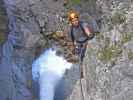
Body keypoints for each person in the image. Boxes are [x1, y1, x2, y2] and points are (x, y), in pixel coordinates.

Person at [67, 9, 95, 78]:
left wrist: (89, 34)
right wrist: (73, 47)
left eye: (76, 20)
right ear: (71, 22)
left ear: (78, 20)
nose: (75, 22)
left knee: (82, 55)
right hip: (78, 44)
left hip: (86, 41)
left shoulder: (82, 24)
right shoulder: (71, 29)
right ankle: (82, 69)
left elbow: (86, 29)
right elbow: (72, 39)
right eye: (73, 21)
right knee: (80, 57)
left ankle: (83, 69)